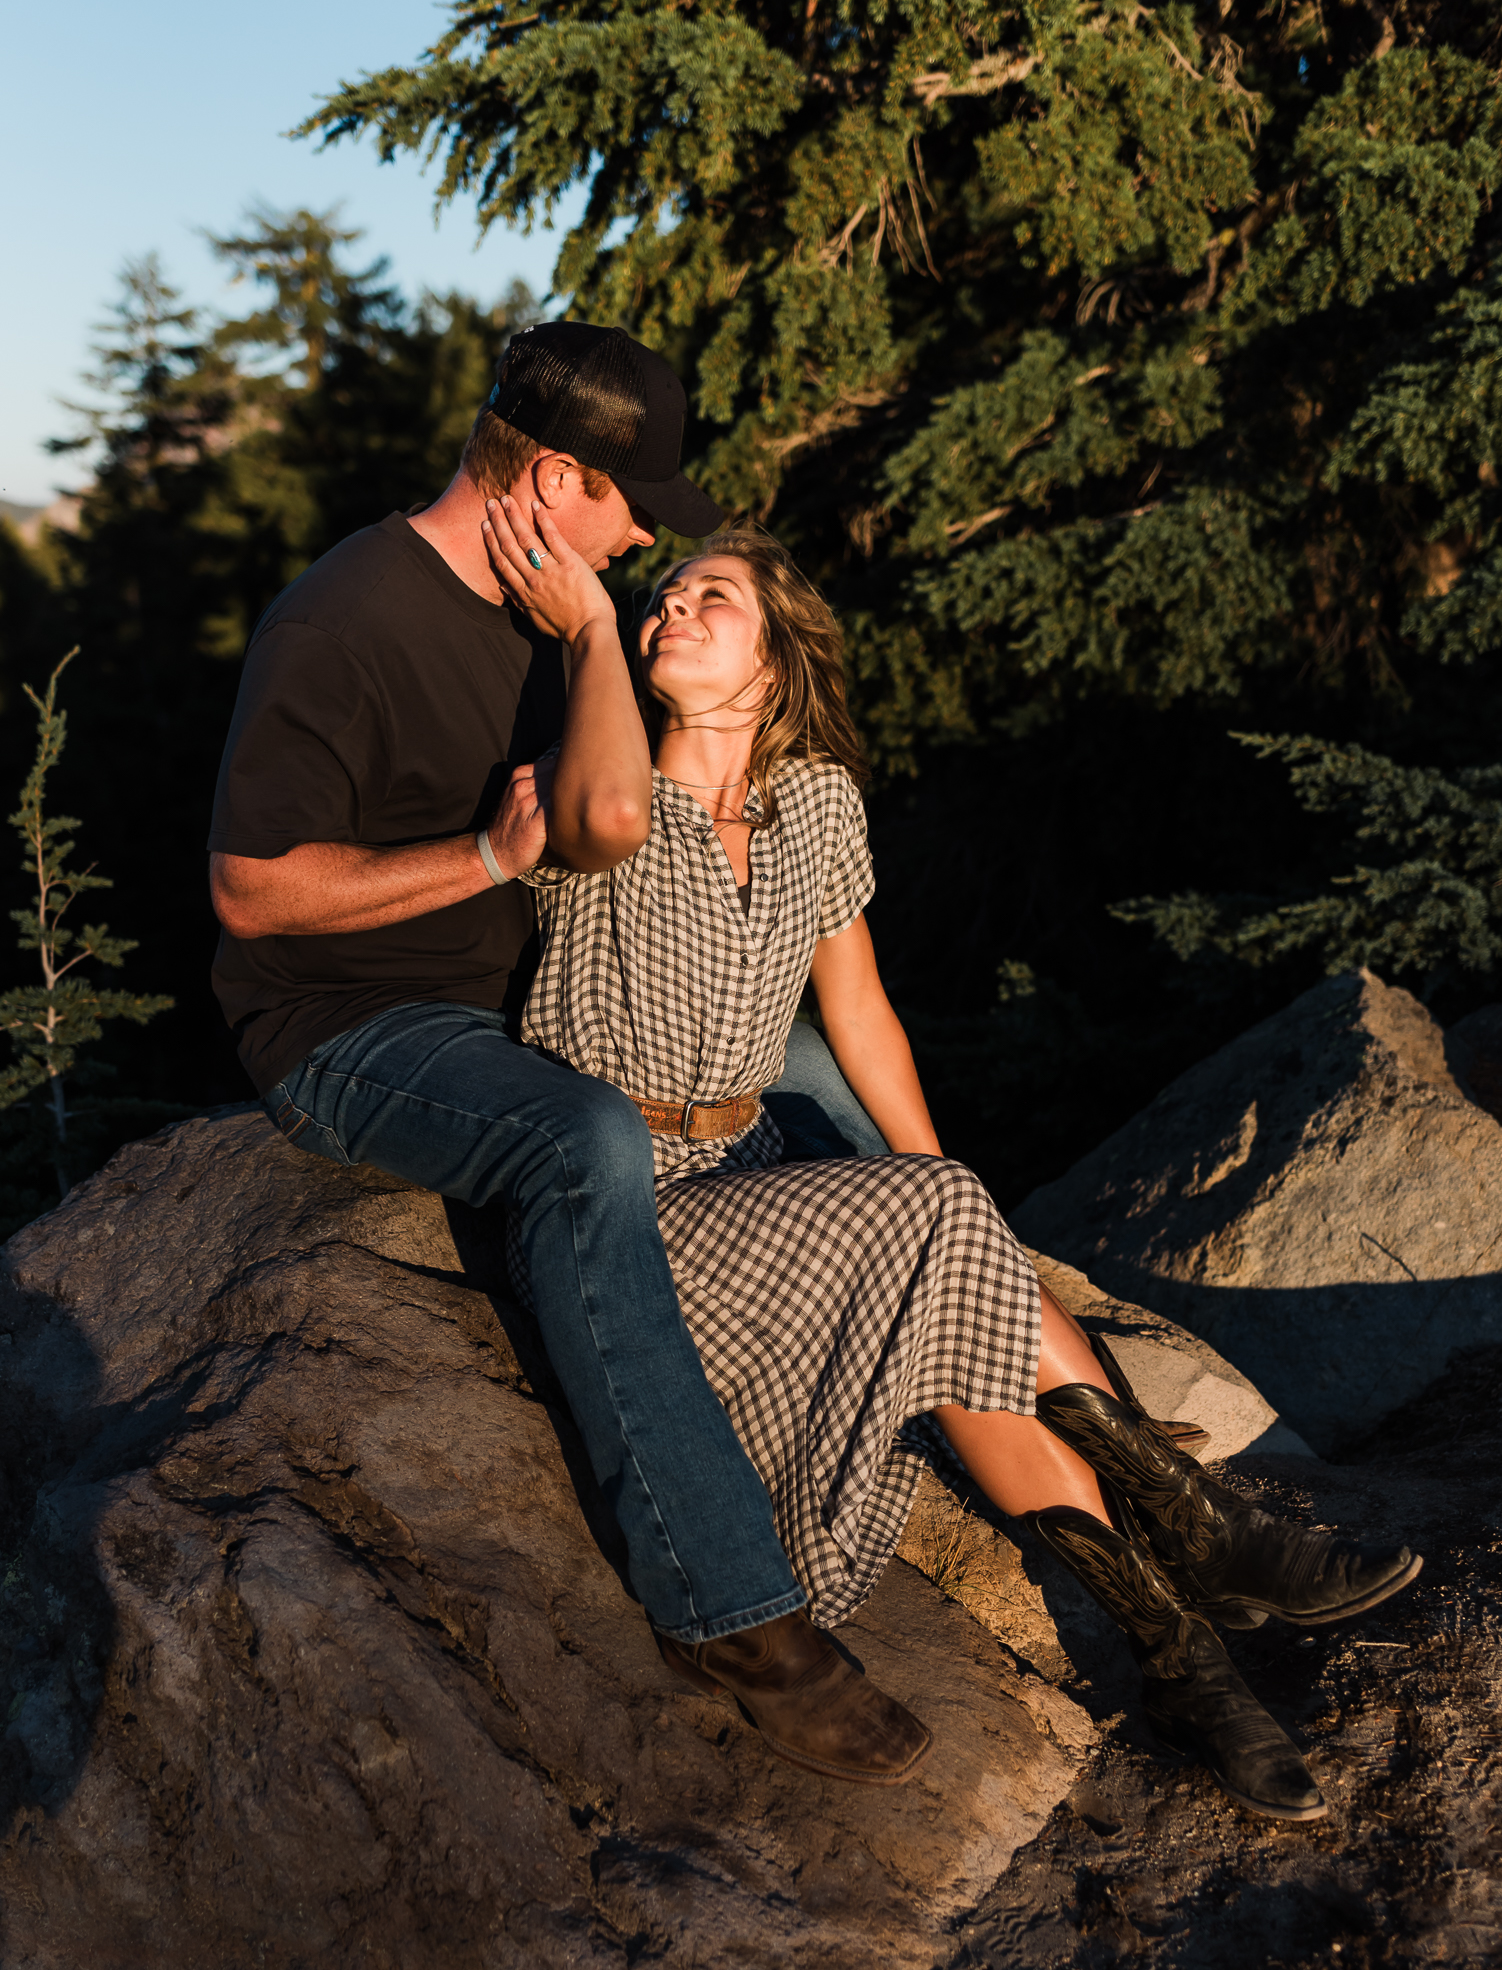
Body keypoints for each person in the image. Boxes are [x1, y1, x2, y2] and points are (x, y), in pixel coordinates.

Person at [485, 505, 1423, 1824]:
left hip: (754, 1176)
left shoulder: (814, 805)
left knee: (951, 1252)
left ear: (775, 665)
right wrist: (584, 618)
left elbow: (858, 1009)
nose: (669, 610)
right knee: (933, 1218)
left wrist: (958, 1208)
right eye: (661, 597)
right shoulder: (605, 773)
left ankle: (1182, 1657)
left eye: (710, 599)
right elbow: (580, 818)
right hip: (624, 1205)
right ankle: (1203, 1529)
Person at [207, 322, 932, 1789]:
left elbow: (624, 820)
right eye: (624, 510)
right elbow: (251, 891)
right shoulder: (340, 621)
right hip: (357, 1025)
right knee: (585, 1138)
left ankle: (1042, 1384)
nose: (641, 552)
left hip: (527, 1002)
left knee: (807, 1074)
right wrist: (482, 854)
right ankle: (724, 1607)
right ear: (551, 479)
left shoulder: (561, 618)